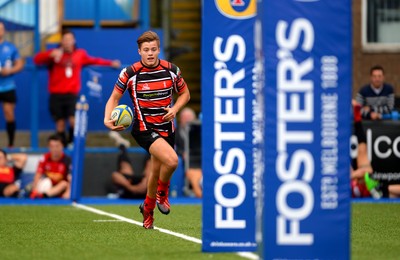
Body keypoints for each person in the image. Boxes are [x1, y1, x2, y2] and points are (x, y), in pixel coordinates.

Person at [104, 30, 190, 229]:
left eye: (153, 49)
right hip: (143, 128)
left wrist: (175, 109)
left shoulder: (172, 70)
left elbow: (185, 94)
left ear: (158, 50)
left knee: (156, 170)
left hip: (167, 127)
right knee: (172, 160)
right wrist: (107, 118)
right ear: (139, 51)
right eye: (146, 50)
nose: (150, 53)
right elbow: (114, 98)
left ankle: (148, 209)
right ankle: (162, 193)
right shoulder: (130, 73)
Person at [33, 29, 121, 147]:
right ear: (61, 41)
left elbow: (94, 60)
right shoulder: (54, 53)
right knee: (60, 124)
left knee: (73, 120)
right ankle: (63, 147)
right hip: (56, 95)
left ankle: (72, 144)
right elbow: (36, 59)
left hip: (72, 94)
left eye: (69, 39)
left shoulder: (80, 54)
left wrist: (111, 63)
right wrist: (50, 54)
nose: (67, 42)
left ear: (73, 41)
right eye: (65, 39)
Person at [0, 22, 25, 148]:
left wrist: (9, 71)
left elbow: (20, 64)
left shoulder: (10, 47)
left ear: (4, 31)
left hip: (7, 86)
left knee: (9, 113)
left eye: (1, 29)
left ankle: (10, 143)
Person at [30, 134, 72, 199]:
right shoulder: (44, 158)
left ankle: (44, 195)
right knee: (46, 181)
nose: (54, 149)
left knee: (64, 183)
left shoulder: (67, 160)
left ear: (62, 146)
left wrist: (68, 192)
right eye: (52, 146)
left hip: (60, 189)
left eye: (57, 146)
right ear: (48, 147)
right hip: (47, 186)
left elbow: (70, 178)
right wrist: (34, 190)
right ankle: (42, 194)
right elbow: (38, 175)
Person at [176, 107, 202, 198]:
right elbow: (174, 146)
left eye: (189, 117)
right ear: (180, 119)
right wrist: (182, 153)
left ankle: (200, 186)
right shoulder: (175, 131)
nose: (187, 120)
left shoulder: (199, 130)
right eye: (184, 117)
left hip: (197, 156)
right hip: (184, 158)